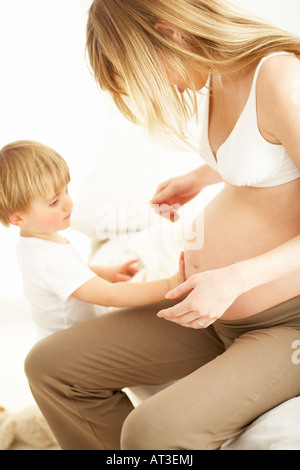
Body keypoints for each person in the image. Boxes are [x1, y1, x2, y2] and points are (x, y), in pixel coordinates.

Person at [24, 0, 300, 450]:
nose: (162, 89)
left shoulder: (280, 77)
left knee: (153, 432)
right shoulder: (213, 77)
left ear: (169, 34)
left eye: (144, 73)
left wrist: (237, 276)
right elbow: (270, 148)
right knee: (52, 367)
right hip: (209, 308)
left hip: (287, 322)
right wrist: (202, 174)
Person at [0, 140, 184, 340]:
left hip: (63, 336)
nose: (68, 204)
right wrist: (169, 284)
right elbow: (109, 296)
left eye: (66, 191)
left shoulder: (33, 239)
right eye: (54, 202)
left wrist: (107, 273)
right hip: (74, 343)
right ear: (17, 218)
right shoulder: (50, 258)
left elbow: (71, 270)